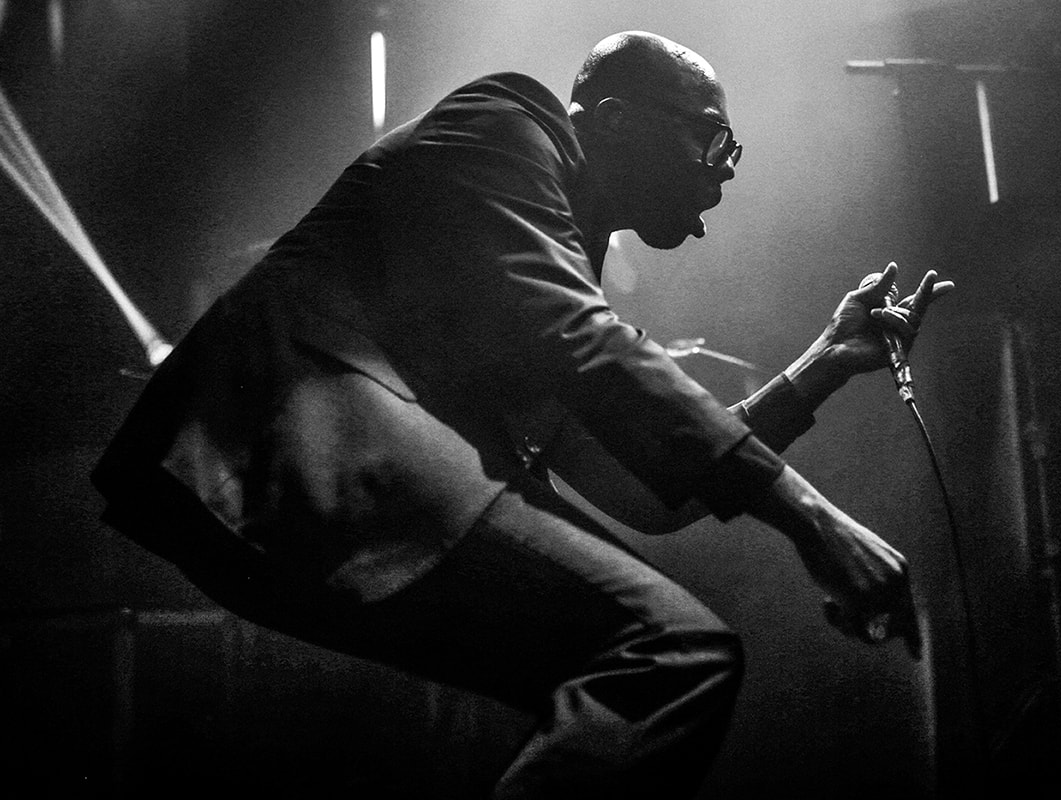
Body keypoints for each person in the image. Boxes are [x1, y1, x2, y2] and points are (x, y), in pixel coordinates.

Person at [92, 30, 952, 799]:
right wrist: (811, 519)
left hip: (309, 495)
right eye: (711, 136)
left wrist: (820, 367)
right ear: (614, 119)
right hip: (294, 447)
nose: (725, 166)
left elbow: (646, 495)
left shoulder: (545, 254)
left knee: (657, 657)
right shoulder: (503, 125)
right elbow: (585, 341)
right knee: (673, 652)